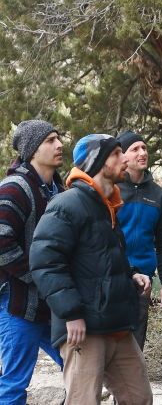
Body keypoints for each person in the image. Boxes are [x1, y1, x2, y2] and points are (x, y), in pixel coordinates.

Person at [30, 134, 153, 405]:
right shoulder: (68, 203)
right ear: (98, 162)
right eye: (117, 153)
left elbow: (102, 259)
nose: (125, 159)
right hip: (84, 330)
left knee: (140, 399)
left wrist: (132, 273)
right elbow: (45, 261)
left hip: (116, 325)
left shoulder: (107, 205)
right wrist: (71, 313)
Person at [0, 120, 65, 404]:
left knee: (81, 369)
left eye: (58, 138)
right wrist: (39, 275)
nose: (59, 144)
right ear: (31, 149)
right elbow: (1, 242)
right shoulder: (14, 188)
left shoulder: (59, 190)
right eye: (50, 140)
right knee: (14, 385)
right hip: (17, 303)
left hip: (52, 304)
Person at [116, 131, 162, 350]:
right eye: (135, 149)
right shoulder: (113, 190)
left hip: (144, 284)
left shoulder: (159, 195)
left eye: (145, 148)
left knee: (134, 348)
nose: (142, 153)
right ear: (122, 156)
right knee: (108, 346)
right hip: (113, 277)